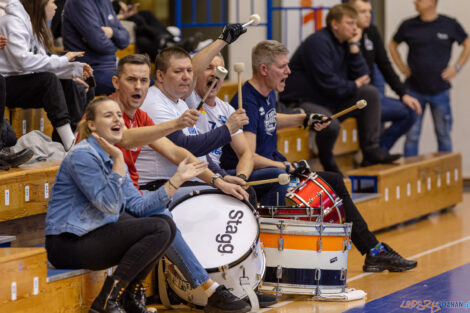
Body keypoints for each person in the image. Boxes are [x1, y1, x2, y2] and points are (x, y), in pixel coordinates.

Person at [223, 40, 417, 273]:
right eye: (282, 66)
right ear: (264, 70)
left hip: (275, 167)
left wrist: (303, 119)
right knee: (329, 182)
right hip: (257, 176)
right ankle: (372, 251)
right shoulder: (246, 100)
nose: (289, 71)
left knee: (334, 180)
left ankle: (374, 251)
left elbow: (271, 119)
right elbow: (249, 156)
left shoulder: (268, 93)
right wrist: (285, 165)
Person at [109, 53, 256, 313]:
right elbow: (125, 138)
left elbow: (179, 154)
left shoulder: (143, 115)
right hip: (112, 199)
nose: (139, 86)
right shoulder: (107, 111)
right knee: (161, 220)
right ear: (115, 82)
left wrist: (217, 180)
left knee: (239, 195)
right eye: (131, 80)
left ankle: (234, 284)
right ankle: (209, 290)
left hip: (133, 195)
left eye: (143, 79)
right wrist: (175, 125)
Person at [45, 96, 210, 313]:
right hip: (67, 244)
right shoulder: (83, 155)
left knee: (165, 222)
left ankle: (130, 295)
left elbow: (141, 207)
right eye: (108, 115)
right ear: (92, 125)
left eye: (119, 115)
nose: (117, 120)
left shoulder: (113, 155)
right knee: (159, 227)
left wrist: (177, 180)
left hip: (95, 236)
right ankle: (107, 300)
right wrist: (119, 164)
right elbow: (109, 207)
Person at [279, 3, 400, 172]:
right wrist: (354, 84)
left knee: (369, 93)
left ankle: (371, 151)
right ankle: (327, 161)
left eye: (355, 24)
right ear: (335, 24)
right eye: (350, 23)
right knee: (330, 123)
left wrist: (354, 47)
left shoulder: (346, 43)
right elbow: (328, 84)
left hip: (329, 98)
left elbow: (365, 76)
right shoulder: (318, 43)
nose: (355, 28)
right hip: (302, 101)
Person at [186, 52, 310, 206]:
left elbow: (245, 153)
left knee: (276, 178)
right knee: (278, 173)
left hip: (221, 173)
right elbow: (195, 66)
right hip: (200, 175)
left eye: (220, 69)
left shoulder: (226, 109)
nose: (214, 74)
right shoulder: (189, 100)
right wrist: (224, 40)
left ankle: (267, 223)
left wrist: (242, 178)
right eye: (208, 68)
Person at [0, 0, 94, 151]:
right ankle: (70, 144)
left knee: (77, 85)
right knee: (49, 80)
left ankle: (63, 143)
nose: (56, 6)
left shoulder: (34, 24)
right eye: (52, 2)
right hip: (4, 85)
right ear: (40, 3)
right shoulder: (12, 22)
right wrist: (64, 59)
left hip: (23, 80)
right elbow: (24, 62)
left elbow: (42, 64)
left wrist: (74, 71)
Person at [389, 0, 470, 157]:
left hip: (440, 90)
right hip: (414, 90)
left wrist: (457, 67)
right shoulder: (408, 25)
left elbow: (467, 43)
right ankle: (411, 176)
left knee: (443, 133)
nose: (415, 2)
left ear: (432, 2)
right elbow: (392, 45)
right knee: (412, 135)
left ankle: (446, 176)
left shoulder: (449, 24)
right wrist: (401, 67)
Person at [348, 0, 422, 152]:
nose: (368, 15)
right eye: (363, 12)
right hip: (352, 97)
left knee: (411, 111)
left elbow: (385, 65)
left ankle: (380, 150)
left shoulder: (372, 32)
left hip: (371, 98)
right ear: (350, 14)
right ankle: (373, 153)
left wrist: (403, 94)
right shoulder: (344, 36)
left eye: (369, 11)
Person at [62, 0, 130, 95]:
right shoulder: (78, 2)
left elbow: (126, 39)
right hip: (89, 71)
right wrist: (115, 42)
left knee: (146, 81)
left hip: (111, 67)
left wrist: (112, 32)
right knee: (131, 86)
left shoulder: (106, 2)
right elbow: (99, 44)